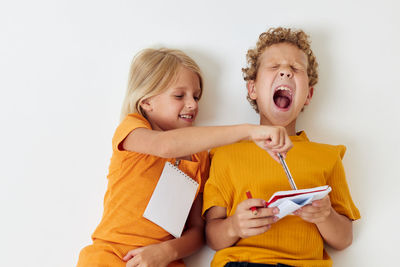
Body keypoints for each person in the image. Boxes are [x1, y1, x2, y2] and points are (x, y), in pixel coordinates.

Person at [76, 48, 293, 267]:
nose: (193, 104)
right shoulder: (133, 129)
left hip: (164, 260)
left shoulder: (200, 156)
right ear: (147, 101)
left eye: (196, 96)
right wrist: (249, 131)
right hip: (112, 255)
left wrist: (165, 252)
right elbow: (166, 145)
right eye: (179, 95)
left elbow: (198, 232)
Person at [203, 27, 361, 267]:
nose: (286, 71)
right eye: (274, 67)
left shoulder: (328, 156)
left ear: (308, 95)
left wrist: (325, 216)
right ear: (253, 89)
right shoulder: (224, 155)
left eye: (296, 69)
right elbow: (212, 236)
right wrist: (235, 225)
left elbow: (344, 238)